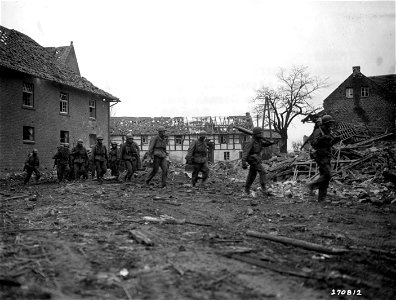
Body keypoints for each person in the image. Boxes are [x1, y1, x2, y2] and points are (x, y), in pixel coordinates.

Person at [307, 115, 340, 202]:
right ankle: (312, 185)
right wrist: (324, 138)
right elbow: (314, 143)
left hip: (327, 155)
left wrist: (334, 141)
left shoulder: (327, 131)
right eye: (329, 123)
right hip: (320, 156)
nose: (331, 125)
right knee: (327, 175)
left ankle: (321, 199)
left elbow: (328, 144)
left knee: (325, 177)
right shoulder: (319, 130)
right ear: (325, 123)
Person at [241, 127, 275, 197]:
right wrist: (243, 163)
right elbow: (245, 153)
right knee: (262, 172)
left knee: (252, 175)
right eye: (260, 133)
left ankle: (246, 190)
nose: (261, 134)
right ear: (256, 134)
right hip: (252, 159)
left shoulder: (259, 141)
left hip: (257, 159)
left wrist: (271, 143)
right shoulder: (251, 142)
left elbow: (265, 144)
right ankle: (264, 189)